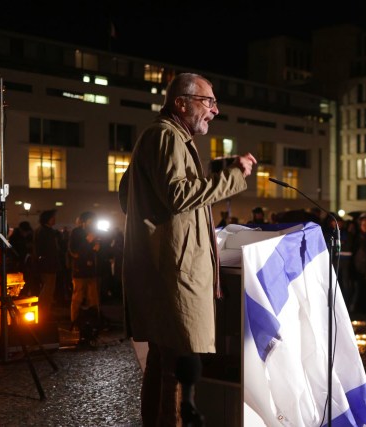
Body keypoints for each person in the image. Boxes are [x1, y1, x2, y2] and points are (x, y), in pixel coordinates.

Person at [119, 72, 257, 427]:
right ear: (181, 103)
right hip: (171, 274)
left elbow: (132, 193)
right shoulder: (166, 136)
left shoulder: (165, 138)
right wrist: (235, 176)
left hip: (165, 270)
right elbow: (179, 194)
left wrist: (215, 171)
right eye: (208, 102)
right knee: (176, 368)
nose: (214, 110)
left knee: (163, 363)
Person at [68, 211, 101, 338]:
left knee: (93, 297)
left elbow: (97, 250)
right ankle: (75, 322)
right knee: (77, 297)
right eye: (90, 220)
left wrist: (98, 247)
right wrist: (88, 241)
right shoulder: (76, 232)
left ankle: (94, 322)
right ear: (84, 221)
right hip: (80, 271)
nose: (92, 223)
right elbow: (74, 251)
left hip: (92, 270)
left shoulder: (94, 231)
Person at [33, 209, 62, 323]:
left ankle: (45, 312)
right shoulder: (46, 232)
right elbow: (46, 250)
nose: (54, 220)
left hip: (46, 265)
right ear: (47, 219)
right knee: (47, 290)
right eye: (52, 218)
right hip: (48, 265)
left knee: (48, 289)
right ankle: (43, 314)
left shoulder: (41, 230)